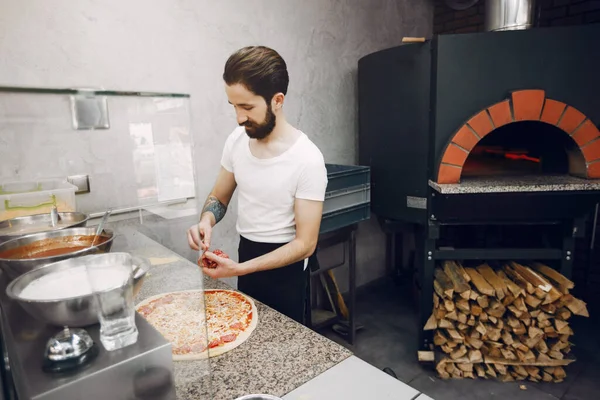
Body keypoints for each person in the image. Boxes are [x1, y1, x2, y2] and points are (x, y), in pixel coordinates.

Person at [187, 46, 328, 324]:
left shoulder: (308, 159)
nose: (239, 118)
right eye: (234, 106)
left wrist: (239, 269)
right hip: (246, 252)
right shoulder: (236, 141)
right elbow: (219, 196)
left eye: (247, 107)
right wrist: (206, 220)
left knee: (287, 352)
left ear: (277, 100)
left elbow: (305, 244)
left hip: (286, 269)